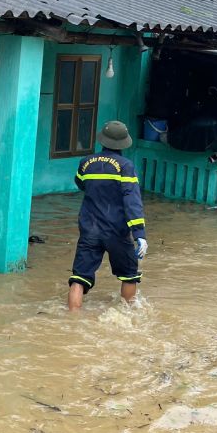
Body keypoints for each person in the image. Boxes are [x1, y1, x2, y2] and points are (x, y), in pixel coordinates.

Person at [68, 121, 147, 311]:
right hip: (116, 232)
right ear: (123, 143)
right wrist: (140, 235)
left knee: (79, 277)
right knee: (129, 275)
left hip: (89, 229)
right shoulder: (125, 166)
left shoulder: (85, 163)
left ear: (102, 139)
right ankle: (128, 316)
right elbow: (132, 201)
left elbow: (80, 183)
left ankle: (71, 321)